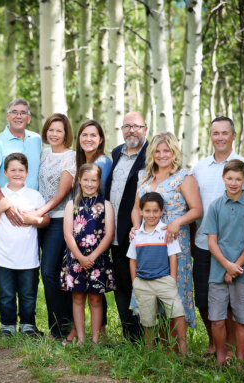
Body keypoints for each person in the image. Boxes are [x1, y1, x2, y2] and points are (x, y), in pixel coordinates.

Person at [192, 116, 244, 357]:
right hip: (206, 244)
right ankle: (215, 344)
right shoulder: (199, 168)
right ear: (210, 136)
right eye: (216, 133)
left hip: (237, 248)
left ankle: (234, 349)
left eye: (225, 133)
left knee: (234, 303)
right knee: (204, 300)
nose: (220, 137)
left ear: (233, 136)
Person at [131, 132, 202, 329]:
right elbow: (137, 208)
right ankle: (160, 348)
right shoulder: (143, 177)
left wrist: (177, 222)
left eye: (167, 151)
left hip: (174, 242)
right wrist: (136, 228)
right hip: (149, 243)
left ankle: (178, 349)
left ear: (174, 152)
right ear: (151, 153)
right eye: (157, 151)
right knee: (151, 288)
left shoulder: (183, 177)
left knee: (173, 292)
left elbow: (197, 209)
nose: (162, 155)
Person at [203, 159, 244, 366]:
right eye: (229, 178)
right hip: (217, 272)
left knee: (241, 319)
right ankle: (220, 359)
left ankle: (239, 363)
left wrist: (234, 267)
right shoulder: (215, 206)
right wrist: (226, 266)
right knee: (217, 319)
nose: (233, 183)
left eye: (238, 179)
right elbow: (212, 241)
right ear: (223, 178)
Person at [0, 153, 50, 337]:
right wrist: (1, 206)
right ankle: (8, 325)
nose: (17, 173)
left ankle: (28, 325)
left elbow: (46, 220)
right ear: (5, 173)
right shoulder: (0, 195)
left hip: (28, 257)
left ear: (27, 172)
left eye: (21, 170)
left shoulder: (34, 196)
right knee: (6, 294)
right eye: (12, 170)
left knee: (28, 294)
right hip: (4, 256)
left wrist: (34, 219)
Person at [60, 163, 115, 345]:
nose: (90, 184)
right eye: (86, 180)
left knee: (95, 298)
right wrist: (81, 257)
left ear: (99, 181)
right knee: (77, 297)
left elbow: (109, 234)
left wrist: (92, 257)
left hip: (97, 259)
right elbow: (68, 234)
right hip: (76, 258)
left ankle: (95, 339)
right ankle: (81, 339)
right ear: (79, 180)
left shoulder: (106, 205)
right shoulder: (71, 205)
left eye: (94, 180)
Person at [105, 111, 148, 342]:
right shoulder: (116, 153)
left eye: (136, 126)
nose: (131, 130)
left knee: (142, 285)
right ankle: (131, 337)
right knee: (122, 285)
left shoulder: (153, 154)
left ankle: (149, 338)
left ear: (145, 129)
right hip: (117, 234)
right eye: (127, 126)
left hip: (142, 232)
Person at [127, 192, 187, 356]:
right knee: (148, 320)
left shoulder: (166, 231)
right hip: (143, 283)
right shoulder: (137, 235)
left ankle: (183, 351)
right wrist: (135, 282)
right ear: (140, 211)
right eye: (147, 211)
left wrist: (172, 279)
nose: (151, 215)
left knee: (177, 313)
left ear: (161, 211)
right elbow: (132, 260)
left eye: (155, 211)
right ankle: (151, 352)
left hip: (164, 281)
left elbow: (172, 256)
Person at [36, 113, 76, 340]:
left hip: (60, 219)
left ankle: (62, 328)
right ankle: (58, 327)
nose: (54, 134)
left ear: (66, 133)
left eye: (58, 130)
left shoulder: (70, 157)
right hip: (40, 220)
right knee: (49, 274)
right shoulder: (42, 154)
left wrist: (40, 211)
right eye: (50, 129)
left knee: (51, 272)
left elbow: (62, 193)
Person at [0, 98, 42, 226]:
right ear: (8, 116)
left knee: (33, 246)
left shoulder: (36, 140)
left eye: (23, 113)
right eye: (14, 112)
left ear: (29, 118)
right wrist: (7, 207)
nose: (18, 116)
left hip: (34, 208)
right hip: (7, 212)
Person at [75, 120, 112, 191]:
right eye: (84, 135)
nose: (88, 139)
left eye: (93, 135)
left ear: (100, 140)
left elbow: (99, 195)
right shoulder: (80, 161)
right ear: (79, 138)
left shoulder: (103, 163)